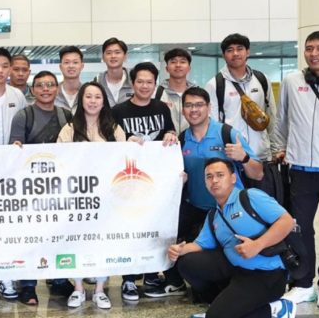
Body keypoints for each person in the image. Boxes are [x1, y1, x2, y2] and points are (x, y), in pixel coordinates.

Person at [155, 87, 264, 299]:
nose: (194, 110)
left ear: (209, 107)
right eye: (188, 105)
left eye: (199, 105)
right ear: (183, 110)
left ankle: (234, 289)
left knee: (234, 256)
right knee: (183, 255)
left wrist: (243, 157)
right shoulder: (181, 139)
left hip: (229, 211)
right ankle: (196, 289)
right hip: (196, 210)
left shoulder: (227, 134)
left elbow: (258, 173)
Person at [169, 158, 297, 318]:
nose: (214, 180)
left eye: (220, 175)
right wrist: (180, 250)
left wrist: (257, 245)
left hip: (266, 274)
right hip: (237, 269)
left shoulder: (251, 197)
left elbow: (287, 221)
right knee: (187, 263)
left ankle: (275, 310)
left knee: (215, 317)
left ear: (233, 178)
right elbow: (200, 244)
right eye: (209, 177)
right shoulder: (214, 214)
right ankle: (219, 304)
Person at [275, 30, 319, 309]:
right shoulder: (292, 81)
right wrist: (279, 148)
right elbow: (281, 119)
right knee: (299, 230)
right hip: (300, 170)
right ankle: (302, 284)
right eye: (309, 48)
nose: (314, 53)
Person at [112, 61, 178, 300]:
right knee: (130, 226)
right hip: (128, 179)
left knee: (153, 226)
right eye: (140, 81)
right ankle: (129, 279)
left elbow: (170, 133)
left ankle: (151, 274)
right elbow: (111, 144)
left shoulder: (162, 108)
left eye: (149, 82)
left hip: (156, 179)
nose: (144, 86)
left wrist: (170, 134)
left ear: (155, 84)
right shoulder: (118, 111)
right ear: (132, 83)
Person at [57, 82, 125, 310]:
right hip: (78, 196)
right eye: (88, 96)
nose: (93, 101)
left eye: (97, 97)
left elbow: (124, 158)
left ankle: (99, 290)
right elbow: (60, 160)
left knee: (103, 241)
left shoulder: (114, 129)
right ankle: (78, 288)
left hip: (106, 197)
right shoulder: (69, 129)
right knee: (77, 241)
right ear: (81, 100)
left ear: (104, 101)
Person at [8, 71, 73, 305]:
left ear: (57, 88)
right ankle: (28, 286)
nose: (46, 89)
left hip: (59, 187)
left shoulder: (66, 115)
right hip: (31, 188)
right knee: (30, 237)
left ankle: (59, 280)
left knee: (59, 234)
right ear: (33, 90)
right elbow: (14, 151)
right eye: (40, 85)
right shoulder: (23, 116)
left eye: (50, 84)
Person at [205, 33, 277, 165]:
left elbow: (271, 114)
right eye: (230, 50)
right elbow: (212, 123)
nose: (235, 53)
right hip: (232, 156)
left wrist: (275, 149)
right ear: (223, 55)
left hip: (261, 154)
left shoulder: (261, 79)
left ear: (247, 52)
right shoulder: (215, 84)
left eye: (240, 49)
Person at [156, 48, 195, 132]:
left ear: (189, 68)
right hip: (165, 139)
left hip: (192, 139)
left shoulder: (197, 93)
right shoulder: (157, 93)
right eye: (173, 62)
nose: (178, 65)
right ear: (166, 68)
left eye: (182, 62)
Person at [97, 37, 133, 107]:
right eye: (109, 53)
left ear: (125, 56)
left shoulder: (134, 79)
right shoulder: (98, 82)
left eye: (117, 52)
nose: (113, 56)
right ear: (103, 57)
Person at [54, 46, 84, 112]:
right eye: (66, 62)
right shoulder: (53, 93)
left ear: (82, 66)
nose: (71, 66)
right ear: (60, 67)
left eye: (75, 62)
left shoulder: (87, 92)